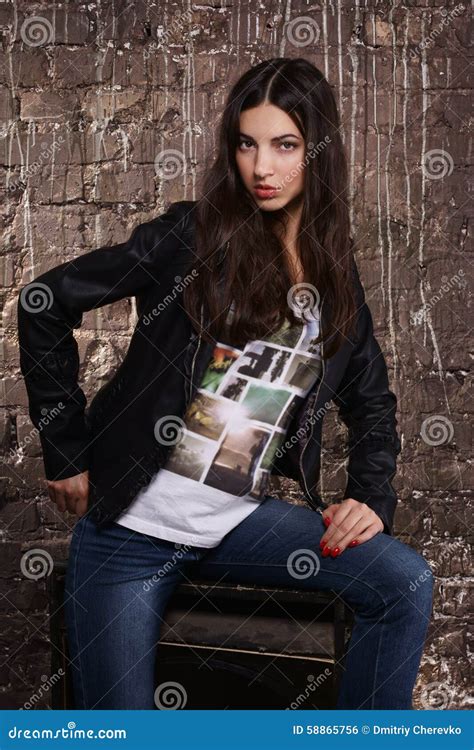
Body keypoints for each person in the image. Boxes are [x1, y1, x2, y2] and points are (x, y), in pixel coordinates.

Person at [17, 57, 433, 710]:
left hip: (237, 524)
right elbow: (44, 301)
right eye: (247, 143)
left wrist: (371, 499)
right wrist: (65, 449)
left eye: (285, 145)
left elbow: (372, 402)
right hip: (131, 537)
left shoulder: (335, 277)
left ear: (317, 152)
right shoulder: (191, 237)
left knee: (402, 583)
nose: (261, 167)